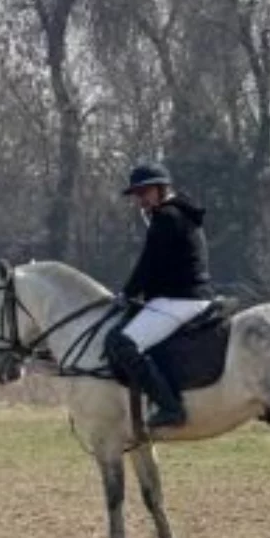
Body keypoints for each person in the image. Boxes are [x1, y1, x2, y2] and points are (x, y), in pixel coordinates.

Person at [104, 162, 214, 429]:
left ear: (162, 189)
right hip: (186, 295)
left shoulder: (166, 217)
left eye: (145, 192)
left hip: (179, 299)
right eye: (137, 195)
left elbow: (148, 265)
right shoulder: (179, 212)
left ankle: (169, 407)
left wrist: (126, 294)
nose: (141, 200)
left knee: (121, 342)